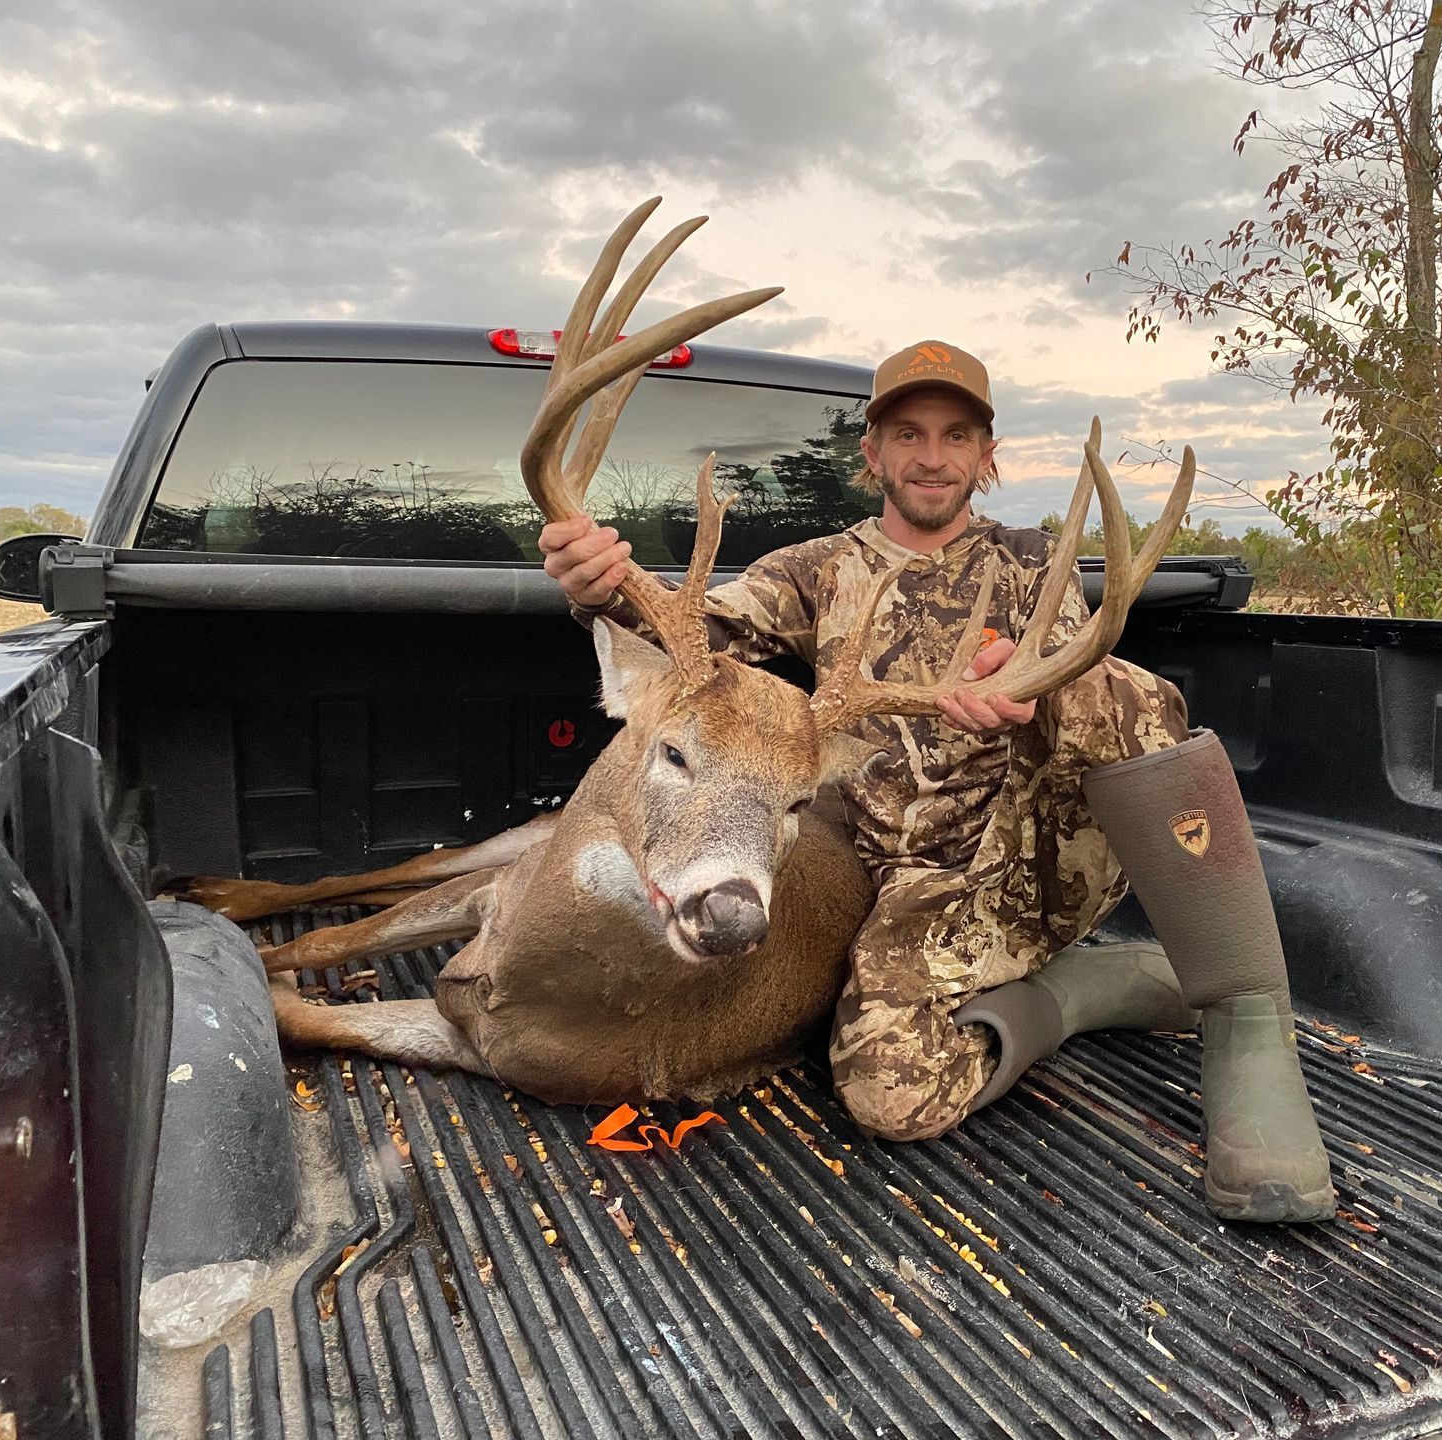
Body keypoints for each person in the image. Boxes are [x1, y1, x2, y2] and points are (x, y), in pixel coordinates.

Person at [539, 341, 1335, 1223]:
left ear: (986, 458)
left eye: (957, 435)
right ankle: (1079, 994)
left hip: (1024, 852)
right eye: (907, 433)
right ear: (871, 454)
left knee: (1113, 685)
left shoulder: (1033, 563)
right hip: (895, 879)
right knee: (889, 1098)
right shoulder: (814, 570)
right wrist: (604, 588)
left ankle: (1246, 1016)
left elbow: (1090, 684)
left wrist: (1024, 679)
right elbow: (703, 647)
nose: (931, 455)